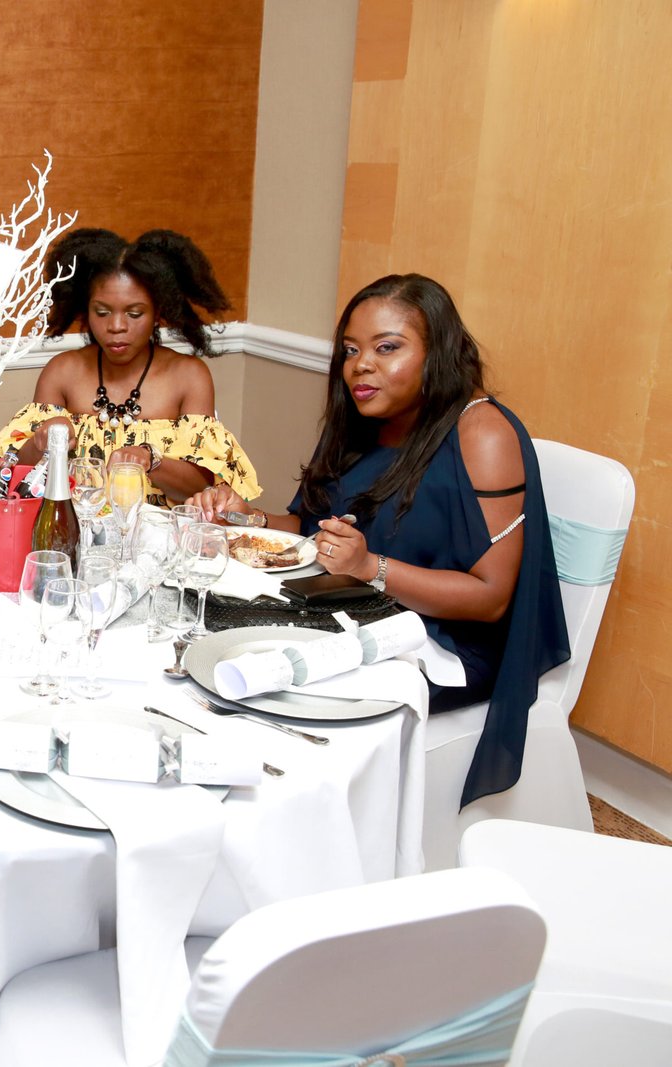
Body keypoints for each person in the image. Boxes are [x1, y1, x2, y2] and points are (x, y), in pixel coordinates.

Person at [187, 274, 568, 806]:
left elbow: (491, 598)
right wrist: (246, 519)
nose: (360, 366)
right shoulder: (366, 416)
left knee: (282, 684)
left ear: (439, 352)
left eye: (387, 348)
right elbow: (311, 529)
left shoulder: (482, 433)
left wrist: (371, 567)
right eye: (350, 350)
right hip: (359, 613)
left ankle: (309, 822)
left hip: (446, 648)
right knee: (214, 641)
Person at [0, 228, 260, 505]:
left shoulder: (188, 376)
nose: (116, 326)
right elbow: (13, 479)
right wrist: (39, 443)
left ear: (158, 312)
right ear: (85, 310)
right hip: (75, 524)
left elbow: (201, 488)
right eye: (102, 312)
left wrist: (151, 459)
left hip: (160, 531)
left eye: (134, 313)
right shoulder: (63, 372)